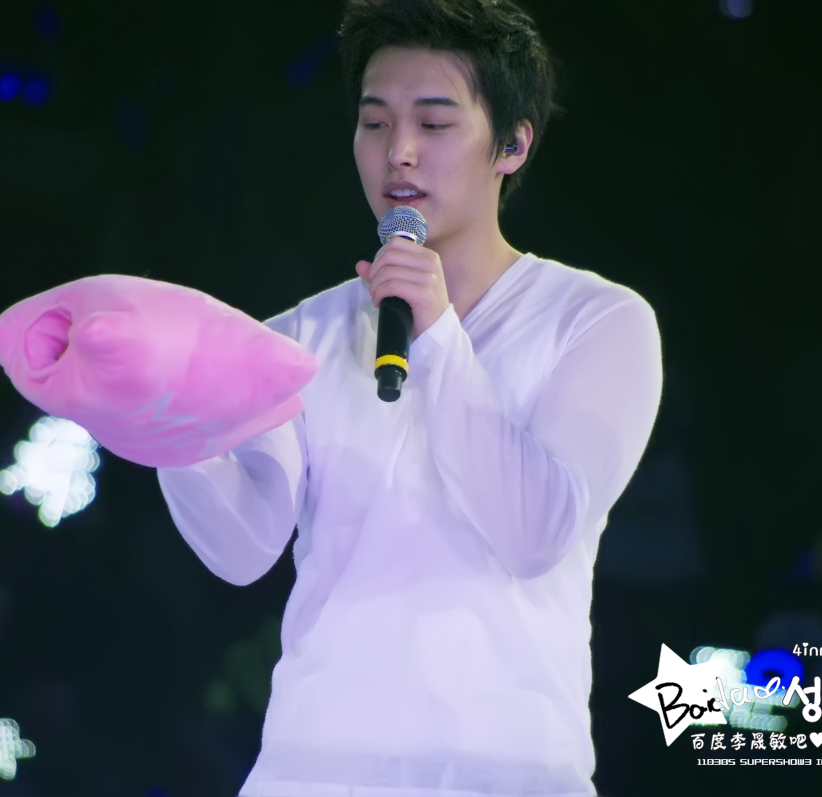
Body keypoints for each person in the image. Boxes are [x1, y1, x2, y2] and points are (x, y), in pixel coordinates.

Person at [157, 1, 663, 794]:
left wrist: (436, 335)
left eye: (433, 124)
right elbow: (245, 546)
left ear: (513, 142)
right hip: (311, 773)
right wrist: (166, 426)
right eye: (374, 123)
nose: (398, 152)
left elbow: (535, 532)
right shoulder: (302, 333)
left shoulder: (596, 322)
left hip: (507, 775)